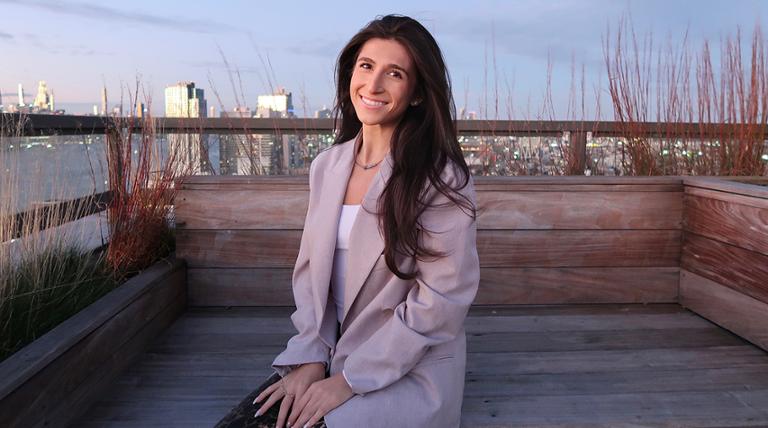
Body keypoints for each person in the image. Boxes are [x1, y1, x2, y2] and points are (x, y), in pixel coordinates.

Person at [225, 14, 480, 428]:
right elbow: (312, 279)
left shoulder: (440, 179)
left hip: (406, 368)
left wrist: (348, 380)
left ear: (416, 93)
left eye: (394, 73)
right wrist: (310, 355)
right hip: (328, 353)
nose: (373, 85)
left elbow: (440, 303)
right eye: (366, 66)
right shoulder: (327, 166)